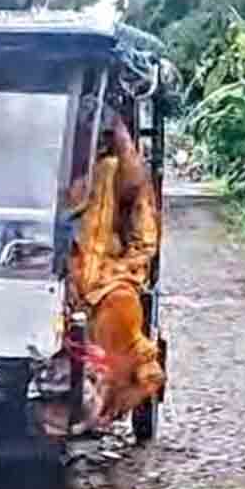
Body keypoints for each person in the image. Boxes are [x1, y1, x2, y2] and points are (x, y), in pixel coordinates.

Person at [68, 109, 164, 424]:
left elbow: (137, 194)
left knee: (119, 306)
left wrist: (120, 135)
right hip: (48, 267)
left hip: (106, 276)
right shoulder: (46, 165)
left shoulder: (110, 170)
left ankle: (103, 399)